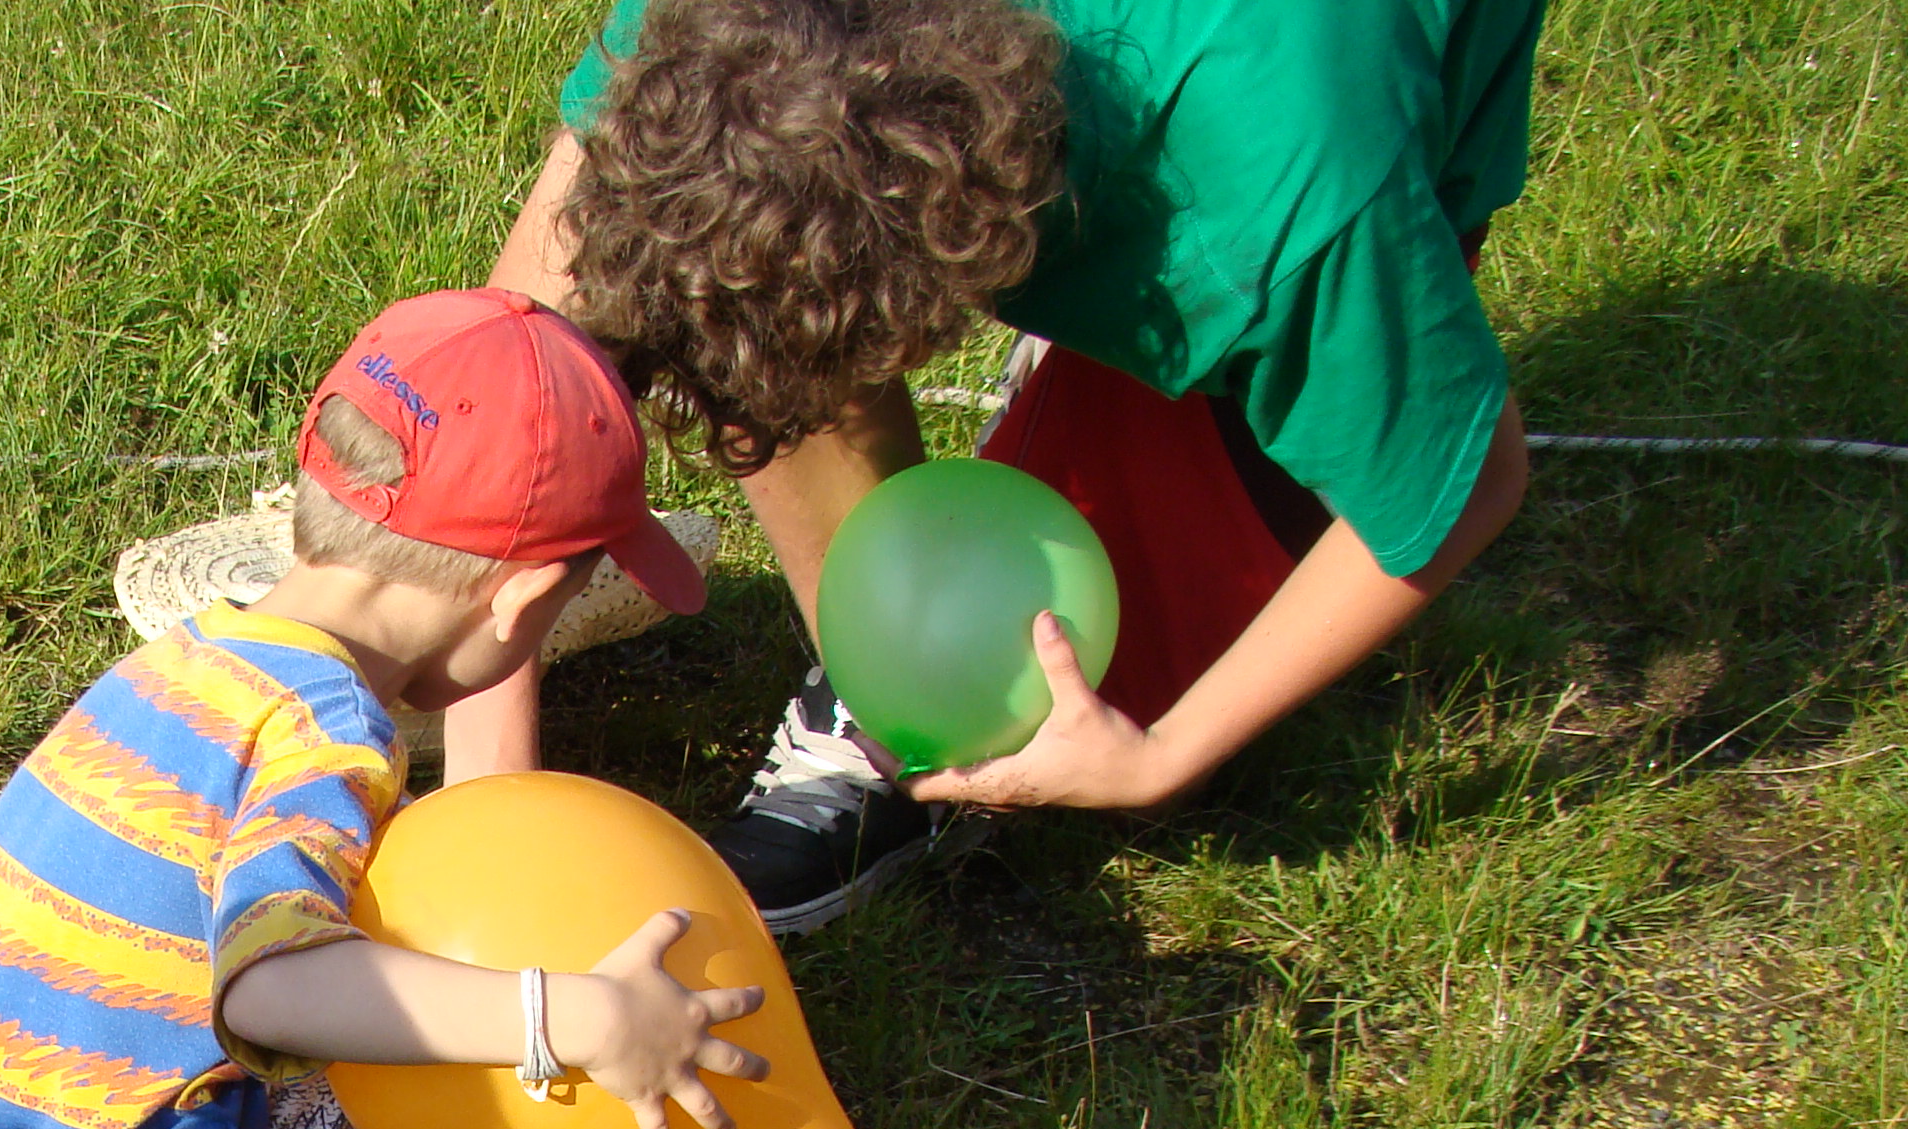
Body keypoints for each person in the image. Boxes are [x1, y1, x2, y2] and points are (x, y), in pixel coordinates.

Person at [445, 0, 1544, 932]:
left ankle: (1163, 353)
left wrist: (1160, 754)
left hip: (1277, 131)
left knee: (1093, 709)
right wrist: (489, 794)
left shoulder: (1294, 209)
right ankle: (883, 702)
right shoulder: (736, 34)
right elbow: (523, 353)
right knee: (744, 304)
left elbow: (1455, 488)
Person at [0, 288, 754, 1129]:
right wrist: (570, 1015)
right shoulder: (330, 733)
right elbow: (272, 990)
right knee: (426, 1035)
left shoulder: (194, 659)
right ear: (521, 601)